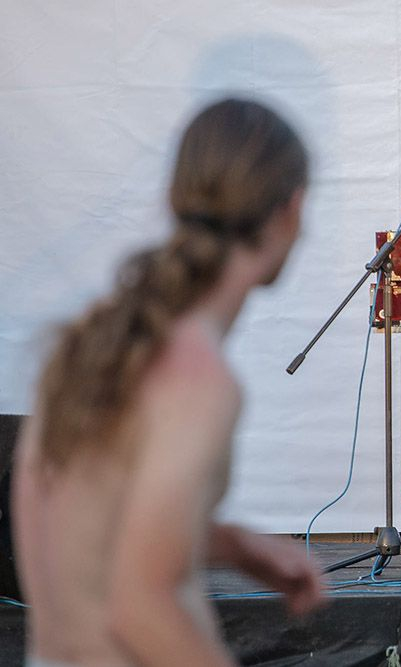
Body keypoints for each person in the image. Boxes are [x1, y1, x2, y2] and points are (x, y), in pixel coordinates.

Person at [12, 98, 324, 667]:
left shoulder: (92, 338)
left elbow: (89, 524)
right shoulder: (199, 381)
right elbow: (138, 606)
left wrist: (232, 544)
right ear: (292, 209)